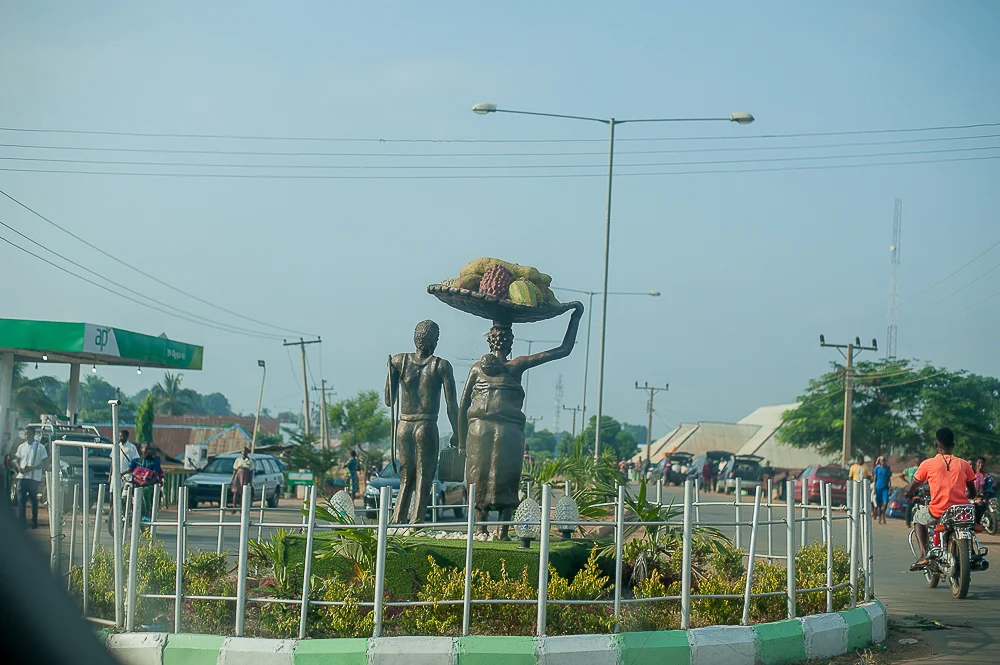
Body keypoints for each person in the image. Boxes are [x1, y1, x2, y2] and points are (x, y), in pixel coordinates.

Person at [459, 303, 584, 539]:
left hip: (506, 431)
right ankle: (482, 528)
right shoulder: (482, 368)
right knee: (477, 476)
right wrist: (459, 438)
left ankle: (499, 530)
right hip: (480, 430)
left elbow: (564, 349)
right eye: (499, 337)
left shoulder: (516, 365)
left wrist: (575, 317)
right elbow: (463, 404)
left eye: (502, 337)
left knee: (505, 478)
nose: (501, 341)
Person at [386, 320, 460, 525]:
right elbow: (451, 405)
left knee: (405, 478)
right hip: (425, 426)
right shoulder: (441, 365)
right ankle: (416, 521)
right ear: (434, 341)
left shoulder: (399, 361)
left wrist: (390, 373)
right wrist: (458, 433)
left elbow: (388, 400)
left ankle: (396, 519)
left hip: (404, 425)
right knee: (423, 478)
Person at [905, 428, 976, 570]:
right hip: (960, 510)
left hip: (938, 511)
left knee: (918, 517)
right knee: (967, 526)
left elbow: (913, 485)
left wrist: (908, 493)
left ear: (936, 445)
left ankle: (924, 555)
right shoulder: (964, 464)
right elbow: (973, 491)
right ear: (953, 445)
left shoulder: (928, 464)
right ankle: (971, 551)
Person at [13, 429, 48, 529]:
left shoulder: (40, 447)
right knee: (21, 500)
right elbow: (17, 459)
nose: (26, 436)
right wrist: (18, 467)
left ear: (33, 435)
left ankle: (34, 521)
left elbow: (44, 463)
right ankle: (22, 522)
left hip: (34, 479)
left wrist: (32, 468)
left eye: (28, 434)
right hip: (22, 477)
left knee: (33, 501)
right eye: (25, 434)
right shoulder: (22, 447)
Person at [128, 443, 162, 520]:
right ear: (141, 450)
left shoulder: (155, 462)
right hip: (136, 483)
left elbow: (155, 476)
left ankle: (147, 513)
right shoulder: (136, 461)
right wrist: (120, 474)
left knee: (146, 491)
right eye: (146, 449)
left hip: (148, 485)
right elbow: (129, 470)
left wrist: (146, 483)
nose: (148, 451)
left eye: (150, 449)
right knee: (126, 488)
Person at [898, 454, 925, 528]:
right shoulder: (921, 469)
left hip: (911, 490)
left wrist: (908, 483)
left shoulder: (909, 470)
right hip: (919, 490)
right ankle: (920, 523)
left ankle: (908, 523)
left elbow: (901, 476)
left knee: (909, 506)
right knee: (922, 505)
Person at [230, 447, 254, 512]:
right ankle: (234, 507)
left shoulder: (250, 461)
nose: (244, 452)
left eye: (245, 451)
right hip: (238, 476)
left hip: (245, 477)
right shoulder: (238, 460)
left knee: (243, 493)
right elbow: (235, 470)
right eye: (243, 451)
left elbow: (251, 472)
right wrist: (232, 480)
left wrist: (250, 482)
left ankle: (242, 508)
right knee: (235, 492)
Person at [872, 456, 893, 524]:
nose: (883, 462)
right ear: (879, 462)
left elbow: (889, 479)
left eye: (884, 461)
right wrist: (874, 489)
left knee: (885, 502)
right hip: (878, 488)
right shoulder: (877, 469)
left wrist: (890, 487)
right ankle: (880, 518)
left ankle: (883, 514)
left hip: (885, 488)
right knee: (879, 504)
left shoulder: (887, 469)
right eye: (881, 461)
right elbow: (875, 479)